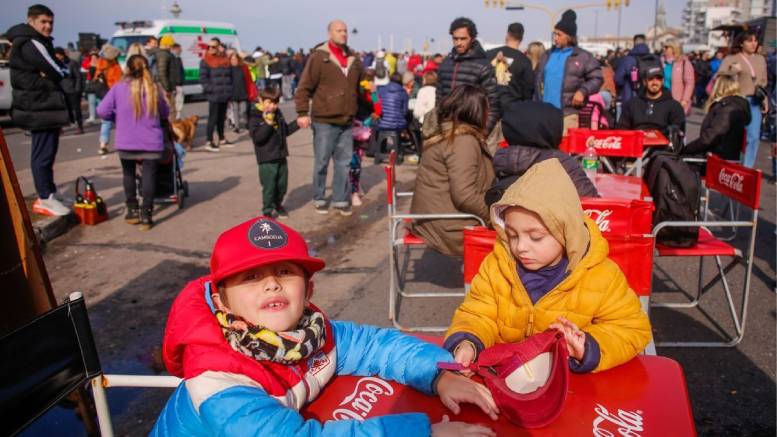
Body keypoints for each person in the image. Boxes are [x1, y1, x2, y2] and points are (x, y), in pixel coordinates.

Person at [150, 217, 499, 436]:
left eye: (285, 272)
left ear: (309, 290)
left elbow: (376, 345)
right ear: (222, 300)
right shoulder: (218, 381)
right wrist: (425, 433)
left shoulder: (310, 331)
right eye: (251, 277)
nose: (272, 285)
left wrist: (440, 374)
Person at [444, 158, 652, 375]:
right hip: (503, 376)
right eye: (512, 235)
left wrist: (588, 347)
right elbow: (477, 314)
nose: (521, 247)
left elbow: (631, 329)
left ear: (566, 232)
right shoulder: (497, 265)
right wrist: (467, 343)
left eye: (536, 237)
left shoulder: (601, 276)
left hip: (569, 382)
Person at [410, 84, 495, 256]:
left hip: (435, 217)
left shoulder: (449, 133)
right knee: (520, 233)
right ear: (476, 111)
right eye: (487, 109)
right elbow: (464, 195)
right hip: (448, 225)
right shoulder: (462, 141)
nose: (489, 114)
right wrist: (494, 217)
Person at [295, 20, 365, 216]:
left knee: (344, 163)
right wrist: (301, 113)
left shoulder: (354, 59)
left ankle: (341, 199)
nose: (343, 34)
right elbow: (304, 87)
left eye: (345, 30)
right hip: (324, 119)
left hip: (347, 120)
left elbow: (360, 88)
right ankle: (319, 197)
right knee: (322, 162)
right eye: (339, 30)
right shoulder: (319, 57)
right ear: (329, 33)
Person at [7, 4, 71, 216]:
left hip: (42, 105)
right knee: (42, 153)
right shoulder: (31, 42)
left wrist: (54, 72)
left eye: (50, 22)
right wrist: (54, 73)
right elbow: (57, 70)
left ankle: (50, 192)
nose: (48, 26)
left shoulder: (35, 41)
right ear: (31, 21)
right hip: (39, 106)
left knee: (47, 152)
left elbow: (56, 69)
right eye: (43, 22)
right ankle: (44, 197)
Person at [97, 55, 169, 231]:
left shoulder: (119, 88)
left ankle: (132, 210)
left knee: (128, 175)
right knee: (149, 176)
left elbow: (101, 110)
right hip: (151, 142)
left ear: (127, 69)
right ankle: (147, 215)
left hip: (126, 141)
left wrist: (118, 118)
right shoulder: (154, 88)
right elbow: (165, 113)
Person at [486, 100, 598, 207]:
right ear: (551, 130)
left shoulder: (500, 158)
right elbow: (591, 201)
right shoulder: (560, 161)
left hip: (502, 224)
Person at [534, 10, 603, 134]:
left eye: (559, 35)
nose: (555, 38)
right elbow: (537, 81)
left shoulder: (583, 56)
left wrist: (583, 91)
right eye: (554, 34)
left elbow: (597, 77)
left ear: (568, 37)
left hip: (567, 114)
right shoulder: (547, 55)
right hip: (543, 113)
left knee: (564, 151)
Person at [436, 17, 500, 134]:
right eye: (455, 39)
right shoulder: (445, 64)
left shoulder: (483, 67)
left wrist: (482, 134)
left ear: (472, 38)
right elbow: (439, 101)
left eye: (463, 39)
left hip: (471, 130)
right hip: (446, 129)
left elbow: (493, 106)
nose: (459, 43)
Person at [718, 30, 768, 168]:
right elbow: (720, 74)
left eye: (755, 41)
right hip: (736, 101)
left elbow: (764, 81)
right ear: (741, 43)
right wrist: (733, 70)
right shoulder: (732, 58)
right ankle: (729, 166)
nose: (753, 44)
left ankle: (747, 167)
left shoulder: (760, 59)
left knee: (753, 137)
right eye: (749, 41)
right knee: (733, 136)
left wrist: (764, 99)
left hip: (754, 102)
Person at [248, 87, 297, 219]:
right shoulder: (255, 116)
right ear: (261, 100)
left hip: (281, 155)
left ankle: (278, 204)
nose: (272, 106)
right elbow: (257, 138)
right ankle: (267, 210)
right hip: (267, 159)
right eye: (269, 102)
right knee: (269, 187)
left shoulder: (278, 113)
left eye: (275, 103)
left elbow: (285, 131)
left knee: (282, 185)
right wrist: (268, 124)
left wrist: (297, 123)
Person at [682, 72, 751, 162]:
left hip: (718, 159)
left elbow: (711, 137)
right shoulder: (736, 105)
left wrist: (687, 149)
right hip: (725, 156)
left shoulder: (727, 108)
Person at [616, 63, 685, 137]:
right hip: (636, 143)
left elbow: (679, 130)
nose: (655, 82)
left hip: (662, 145)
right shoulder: (632, 104)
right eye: (651, 79)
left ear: (662, 82)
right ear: (645, 82)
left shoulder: (674, 106)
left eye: (658, 79)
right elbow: (622, 128)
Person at [486, 22, 534, 106]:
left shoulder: (489, 54)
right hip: (514, 108)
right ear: (521, 38)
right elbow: (528, 89)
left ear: (507, 35)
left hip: (490, 105)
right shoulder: (524, 61)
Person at [200, 37, 234, 152]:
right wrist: (211, 89)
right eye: (208, 47)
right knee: (212, 118)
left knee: (221, 118)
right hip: (214, 94)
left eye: (213, 46)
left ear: (219, 47)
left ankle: (222, 138)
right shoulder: (205, 61)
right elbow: (203, 78)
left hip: (224, 94)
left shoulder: (225, 60)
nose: (210, 49)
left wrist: (230, 90)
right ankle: (209, 141)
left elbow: (230, 76)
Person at [95, 44, 123, 155]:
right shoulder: (114, 66)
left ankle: (103, 144)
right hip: (112, 95)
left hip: (101, 94)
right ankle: (122, 143)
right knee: (119, 120)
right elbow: (118, 82)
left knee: (105, 121)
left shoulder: (100, 63)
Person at [614, 34, 652, 105]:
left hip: (630, 95)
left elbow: (618, 79)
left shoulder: (628, 59)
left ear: (634, 43)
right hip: (649, 96)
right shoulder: (652, 58)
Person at [661, 39, 695, 116]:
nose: (664, 49)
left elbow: (690, 83)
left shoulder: (684, 63)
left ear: (674, 49)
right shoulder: (661, 62)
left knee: (676, 126)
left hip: (678, 101)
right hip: (662, 100)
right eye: (663, 47)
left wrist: (685, 100)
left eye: (666, 47)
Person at [54, 47, 83, 134]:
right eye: (56, 55)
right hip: (60, 90)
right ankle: (60, 128)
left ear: (62, 54)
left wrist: (77, 89)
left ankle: (80, 127)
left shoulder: (72, 63)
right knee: (61, 110)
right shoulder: (55, 64)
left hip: (72, 90)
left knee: (76, 110)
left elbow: (78, 76)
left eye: (58, 55)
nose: (57, 57)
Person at [227, 51, 255, 133]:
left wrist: (251, 91)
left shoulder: (243, 67)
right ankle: (237, 127)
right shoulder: (229, 69)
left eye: (235, 59)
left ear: (238, 59)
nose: (233, 61)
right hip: (233, 93)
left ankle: (246, 123)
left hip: (243, 92)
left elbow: (249, 80)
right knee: (235, 110)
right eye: (232, 59)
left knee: (243, 110)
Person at [154, 35, 176, 113]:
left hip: (163, 86)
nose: (172, 48)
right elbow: (162, 73)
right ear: (167, 44)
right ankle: (170, 125)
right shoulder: (163, 55)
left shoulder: (162, 53)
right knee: (170, 110)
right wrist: (167, 88)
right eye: (171, 45)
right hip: (164, 87)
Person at [169, 43, 185, 118]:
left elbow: (180, 71)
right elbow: (172, 72)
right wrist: (174, 84)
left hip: (179, 84)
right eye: (180, 49)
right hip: (174, 85)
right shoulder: (171, 59)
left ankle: (178, 117)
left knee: (179, 102)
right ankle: (175, 118)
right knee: (174, 103)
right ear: (175, 49)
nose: (181, 50)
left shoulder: (178, 58)